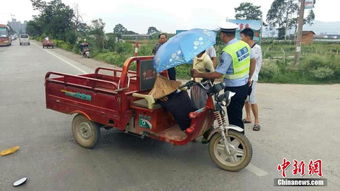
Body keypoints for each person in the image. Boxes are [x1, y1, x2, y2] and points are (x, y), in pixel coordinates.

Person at [191, 22, 256, 130]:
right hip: (245, 86)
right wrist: (249, 77)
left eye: (220, 33)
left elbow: (218, 74)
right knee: (238, 114)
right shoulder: (244, 44)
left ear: (223, 35)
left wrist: (199, 74)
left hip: (233, 89)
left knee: (234, 117)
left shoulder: (227, 52)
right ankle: (237, 139)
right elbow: (253, 61)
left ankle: (238, 141)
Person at [240, 28, 263, 131]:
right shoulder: (245, 47)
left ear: (248, 37)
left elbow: (251, 62)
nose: (241, 39)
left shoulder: (256, 48)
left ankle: (257, 121)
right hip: (245, 77)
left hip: (252, 77)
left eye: (242, 37)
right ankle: (248, 117)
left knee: (252, 100)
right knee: (246, 99)